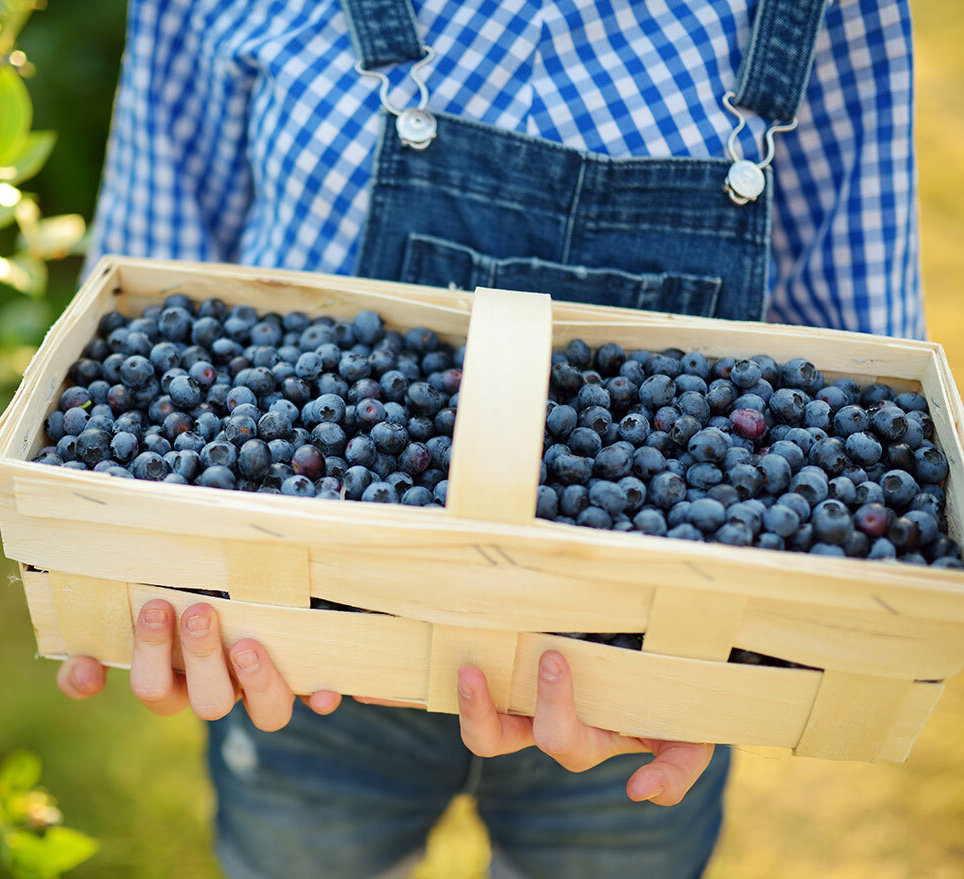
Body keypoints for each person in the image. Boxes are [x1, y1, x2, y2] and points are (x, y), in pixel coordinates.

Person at [59, 0, 921, 876]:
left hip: (644, 664)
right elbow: (147, 303)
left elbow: (853, 396)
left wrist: (774, 656)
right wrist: (130, 571)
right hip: (299, 633)